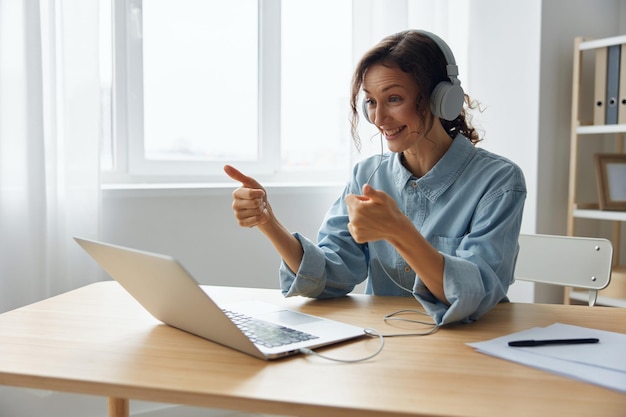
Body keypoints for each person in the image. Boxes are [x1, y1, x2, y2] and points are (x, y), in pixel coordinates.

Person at [224, 30, 526, 326]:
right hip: (387, 345)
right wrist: (268, 221)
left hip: (469, 349)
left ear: (441, 99)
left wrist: (399, 232)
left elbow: (475, 294)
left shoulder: (499, 181)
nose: (378, 119)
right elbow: (330, 276)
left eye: (394, 98)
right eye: (370, 101)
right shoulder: (367, 175)